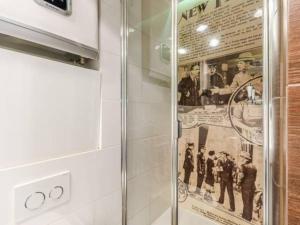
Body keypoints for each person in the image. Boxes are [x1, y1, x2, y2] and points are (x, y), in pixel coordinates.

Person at [238, 151, 257, 221]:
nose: (241, 158)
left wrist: (238, 184)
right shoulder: (254, 167)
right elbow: (254, 178)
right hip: (252, 186)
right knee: (250, 202)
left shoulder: (243, 166)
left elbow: (241, 177)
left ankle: (245, 218)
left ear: (245, 158)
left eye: (242, 157)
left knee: (245, 202)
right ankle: (248, 216)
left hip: (245, 186)